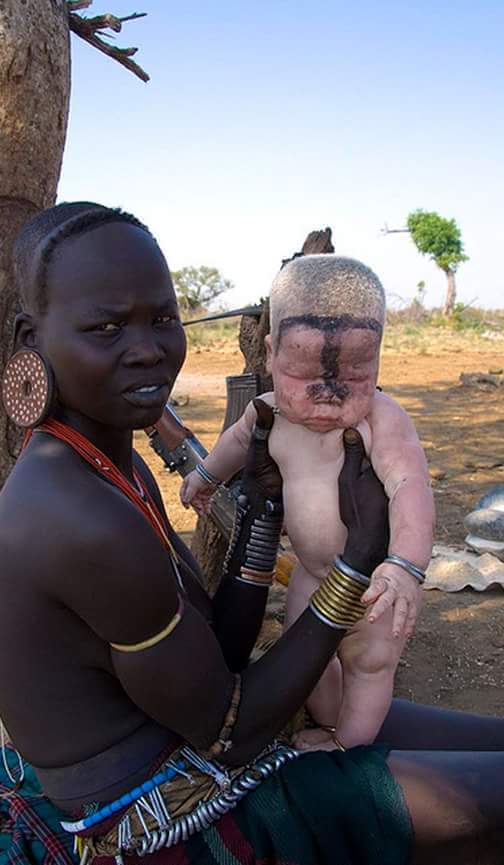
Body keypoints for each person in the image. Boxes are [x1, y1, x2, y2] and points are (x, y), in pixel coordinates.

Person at [0, 202, 504, 865]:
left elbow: (214, 655)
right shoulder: (74, 515)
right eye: (107, 327)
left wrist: (260, 519)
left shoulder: (110, 465)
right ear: (32, 335)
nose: (148, 348)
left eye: (163, 319)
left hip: (202, 741)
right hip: (168, 812)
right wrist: (359, 559)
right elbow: (232, 726)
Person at [181, 254, 434, 750]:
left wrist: (405, 566)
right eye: (303, 373)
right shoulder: (270, 413)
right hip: (312, 577)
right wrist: (207, 474)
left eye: (355, 374)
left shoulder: (382, 420)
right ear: (271, 352)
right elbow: (236, 441)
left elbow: (411, 488)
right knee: (306, 660)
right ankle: (329, 723)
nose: (328, 395)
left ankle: (351, 745)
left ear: (378, 357)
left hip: (376, 587)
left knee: (370, 665)